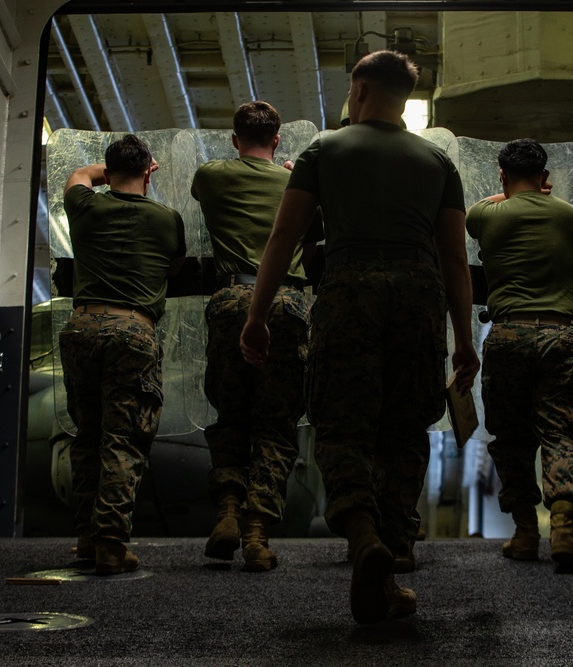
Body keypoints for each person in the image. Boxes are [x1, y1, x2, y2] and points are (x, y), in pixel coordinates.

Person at [239, 50, 480, 623]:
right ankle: (395, 554)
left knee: (343, 424)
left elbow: (284, 239)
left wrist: (257, 315)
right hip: (419, 294)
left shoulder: (326, 149)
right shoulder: (437, 161)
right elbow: (455, 260)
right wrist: (464, 340)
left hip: (349, 288)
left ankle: (363, 532)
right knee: (403, 427)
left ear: (362, 88)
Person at [191, 101, 317, 572]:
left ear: (235, 138)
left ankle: (226, 509)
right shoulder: (296, 182)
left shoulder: (211, 175)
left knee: (231, 415)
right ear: (279, 140)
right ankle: (257, 534)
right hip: (286, 306)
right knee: (276, 423)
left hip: (230, 302)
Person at [60, 134, 186, 574]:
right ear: (150, 171)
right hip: (133, 330)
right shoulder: (167, 220)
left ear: (108, 173)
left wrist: (109, 169)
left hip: (81, 327)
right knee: (123, 439)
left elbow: (79, 176)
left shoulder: (86, 207)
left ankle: (85, 537)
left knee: (88, 434)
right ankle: (111, 542)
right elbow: (172, 269)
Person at [466, 138, 573, 573]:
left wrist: (512, 192)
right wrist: (543, 195)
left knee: (512, 439)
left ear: (502, 176)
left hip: (507, 335)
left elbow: (480, 210)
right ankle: (563, 528)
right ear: (545, 178)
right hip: (561, 336)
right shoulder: (569, 215)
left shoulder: (486, 214)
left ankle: (524, 533)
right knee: (562, 434)